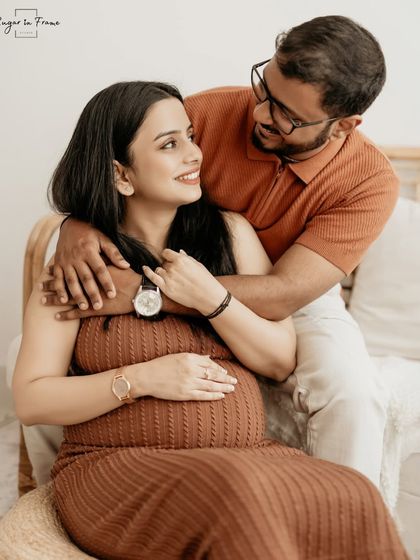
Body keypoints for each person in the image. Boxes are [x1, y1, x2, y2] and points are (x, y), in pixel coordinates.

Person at [13, 81, 407, 560]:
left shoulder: (230, 234)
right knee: (234, 493)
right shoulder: (84, 267)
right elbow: (32, 398)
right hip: (116, 467)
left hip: (242, 459)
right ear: (120, 174)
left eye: (191, 137)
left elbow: (281, 360)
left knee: (350, 495)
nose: (195, 154)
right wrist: (140, 379)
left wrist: (213, 299)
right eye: (169, 144)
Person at [40, 15, 399, 488]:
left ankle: (342, 515)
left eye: (286, 115)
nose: (260, 115)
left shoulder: (370, 181)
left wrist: (145, 294)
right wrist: (77, 224)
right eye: (264, 90)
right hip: (165, 262)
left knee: (351, 393)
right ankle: (52, 502)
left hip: (291, 295)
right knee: (35, 353)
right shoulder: (207, 114)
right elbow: (117, 166)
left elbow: (283, 292)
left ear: (343, 126)